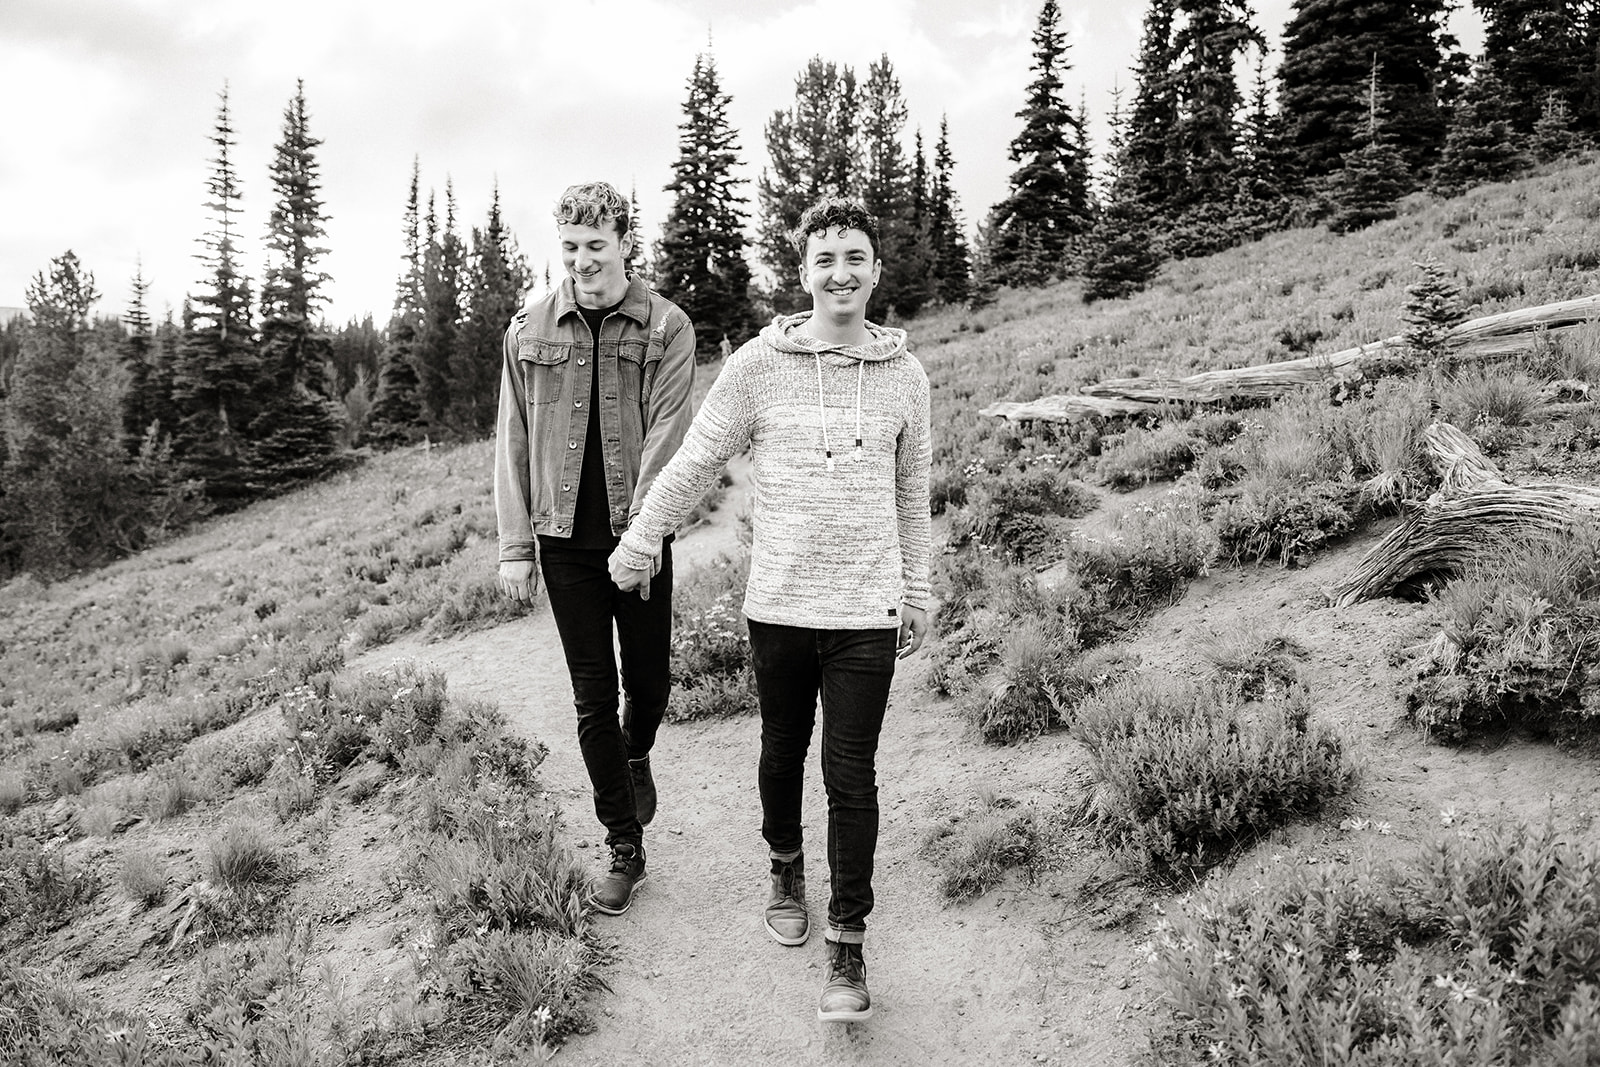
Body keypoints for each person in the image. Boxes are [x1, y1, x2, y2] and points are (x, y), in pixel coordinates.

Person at [608, 196, 931, 1022]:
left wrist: (918, 589)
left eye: (855, 257)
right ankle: (785, 864)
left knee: (850, 776)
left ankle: (848, 948)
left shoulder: (906, 377)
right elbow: (695, 461)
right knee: (782, 753)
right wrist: (643, 539)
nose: (841, 273)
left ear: (876, 272)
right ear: (803, 273)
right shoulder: (758, 365)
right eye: (825, 259)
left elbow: (911, 495)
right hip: (781, 607)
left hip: (865, 608)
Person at [494, 181, 696, 916]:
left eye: (595, 246)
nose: (581, 260)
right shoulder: (528, 329)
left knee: (650, 685)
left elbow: (670, 435)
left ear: (622, 243)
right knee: (591, 693)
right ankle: (623, 844)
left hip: (636, 535)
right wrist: (515, 548)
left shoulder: (666, 328)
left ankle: (635, 749)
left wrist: (641, 537)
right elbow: (510, 437)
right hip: (562, 540)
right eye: (570, 247)